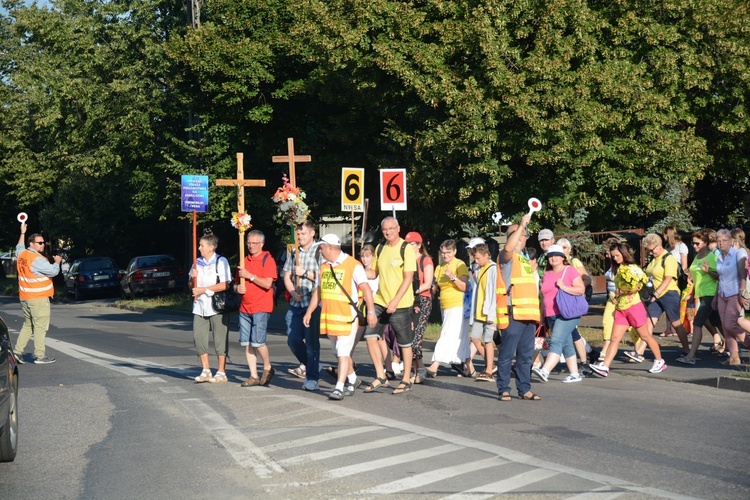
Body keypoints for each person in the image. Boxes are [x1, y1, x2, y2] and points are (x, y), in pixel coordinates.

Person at [303, 234, 377, 400]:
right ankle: (353, 379)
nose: (320, 252)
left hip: (347, 317)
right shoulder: (324, 266)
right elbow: (319, 292)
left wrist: (371, 312)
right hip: (330, 319)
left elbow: (366, 289)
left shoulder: (353, 265)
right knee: (337, 352)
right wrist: (309, 311)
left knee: (343, 353)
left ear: (329, 247)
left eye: (321, 248)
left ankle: (339, 387)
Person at [590, 243, 666, 377]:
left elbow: (638, 286)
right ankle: (605, 367)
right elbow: (615, 288)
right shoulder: (618, 269)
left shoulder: (633, 268)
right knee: (614, 338)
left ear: (624, 254)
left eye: (617, 256)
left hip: (634, 307)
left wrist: (622, 291)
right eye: (613, 257)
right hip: (621, 308)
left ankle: (659, 361)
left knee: (645, 336)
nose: (615, 259)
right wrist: (615, 296)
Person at [362, 217, 416, 395]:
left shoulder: (405, 248)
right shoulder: (380, 247)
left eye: (391, 229)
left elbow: (408, 278)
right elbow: (374, 272)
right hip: (380, 300)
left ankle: (406, 379)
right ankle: (381, 375)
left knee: (404, 343)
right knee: (370, 335)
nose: (388, 232)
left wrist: (396, 301)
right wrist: (356, 270)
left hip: (400, 303)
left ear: (398, 229)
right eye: (385, 229)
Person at [495, 214, 542, 401]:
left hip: (529, 315)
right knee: (507, 355)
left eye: (523, 233)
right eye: (517, 233)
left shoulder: (525, 259)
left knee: (525, 356)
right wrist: (522, 224)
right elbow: (508, 247)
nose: (522, 236)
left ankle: (524, 388)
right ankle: (504, 388)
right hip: (513, 313)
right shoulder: (507, 255)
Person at [532, 244, 586, 383]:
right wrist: (542, 316)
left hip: (567, 313)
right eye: (550, 256)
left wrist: (564, 287)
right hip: (550, 314)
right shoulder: (547, 274)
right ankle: (575, 374)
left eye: (557, 255)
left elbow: (580, 289)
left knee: (555, 340)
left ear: (563, 257)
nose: (553, 258)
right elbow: (544, 297)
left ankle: (545, 371)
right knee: (566, 344)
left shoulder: (570, 270)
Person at [13, 223, 61, 364]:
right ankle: (40, 356)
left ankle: (17, 352)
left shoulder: (22, 254)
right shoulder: (37, 259)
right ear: (32, 244)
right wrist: (57, 262)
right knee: (40, 327)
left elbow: (19, 246)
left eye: (43, 243)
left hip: (25, 297)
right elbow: (53, 271)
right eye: (39, 243)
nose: (42, 245)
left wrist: (22, 232)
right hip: (38, 298)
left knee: (28, 325)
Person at [284, 221, 323, 391]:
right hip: (296, 302)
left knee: (311, 342)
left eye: (303, 234)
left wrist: (305, 273)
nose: (300, 237)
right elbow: (286, 275)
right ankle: (312, 364)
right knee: (293, 339)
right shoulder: (294, 253)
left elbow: (324, 277)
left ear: (312, 233)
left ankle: (312, 377)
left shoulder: (320, 252)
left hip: (312, 303)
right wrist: (292, 292)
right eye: (298, 234)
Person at [236, 230, 278, 387]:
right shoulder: (243, 259)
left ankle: (267, 366)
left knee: (258, 342)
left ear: (261, 244)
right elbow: (236, 282)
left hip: (261, 305)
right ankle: (253, 375)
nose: (251, 246)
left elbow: (268, 283)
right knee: (247, 342)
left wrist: (250, 276)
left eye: (254, 243)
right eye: (249, 243)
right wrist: (237, 288)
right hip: (245, 306)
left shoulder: (267, 259)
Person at [189, 234, 231, 383]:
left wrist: (204, 289)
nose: (199, 248)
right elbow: (191, 286)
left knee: (219, 338)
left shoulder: (221, 261)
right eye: (199, 245)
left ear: (211, 247)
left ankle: (221, 371)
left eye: (202, 245)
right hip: (200, 306)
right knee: (199, 337)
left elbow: (225, 284)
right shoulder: (197, 262)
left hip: (216, 305)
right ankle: (205, 370)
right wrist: (192, 278)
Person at [640, 233, 691, 356]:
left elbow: (668, 278)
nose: (650, 253)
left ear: (659, 246)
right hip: (655, 296)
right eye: (648, 251)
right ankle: (639, 352)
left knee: (676, 323)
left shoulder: (669, 258)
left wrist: (657, 293)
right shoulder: (654, 260)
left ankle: (687, 350)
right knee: (649, 322)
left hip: (669, 294)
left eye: (651, 250)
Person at [426, 239, 471, 378]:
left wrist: (453, 277)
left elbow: (464, 287)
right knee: (460, 336)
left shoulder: (460, 264)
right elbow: (435, 286)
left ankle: (435, 364)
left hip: (457, 305)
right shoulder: (440, 267)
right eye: (443, 253)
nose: (445, 256)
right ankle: (469, 367)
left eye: (448, 253)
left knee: (447, 334)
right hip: (445, 305)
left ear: (455, 252)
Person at [678, 229, 722, 364]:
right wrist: (691, 293)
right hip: (701, 294)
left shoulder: (712, 257)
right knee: (720, 324)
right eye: (693, 243)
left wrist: (708, 271)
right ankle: (735, 350)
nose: (694, 246)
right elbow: (695, 276)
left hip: (711, 294)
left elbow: (720, 277)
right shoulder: (697, 257)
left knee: (697, 323)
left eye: (697, 243)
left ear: (705, 243)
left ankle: (691, 356)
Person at [713, 229, 749, 366]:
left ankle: (748, 343)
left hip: (734, 293)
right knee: (725, 326)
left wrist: (742, 293)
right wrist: (716, 297)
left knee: (730, 324)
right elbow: (720, 278)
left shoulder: (738, 253)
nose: (721, 243)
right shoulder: (719, 256)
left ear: (731, 241)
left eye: (724, 240)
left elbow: (743, 275)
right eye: (718, 241)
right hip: (722, 294)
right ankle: (734, 357)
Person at [405, 232, 434, 384]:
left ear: (418, 245)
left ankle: (420, 368)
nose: (409, 247)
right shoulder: (406, 260)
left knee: (416, 338)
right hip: (408, 301)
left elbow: (427, 283)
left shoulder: (425, 260)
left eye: (411, 244)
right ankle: (415, 370)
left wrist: (411, 291)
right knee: (408, 337)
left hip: (423, 300)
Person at [469, 244, 497, 381]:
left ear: (487, 255)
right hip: (479, 312)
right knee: (474, 337)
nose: (476, 261)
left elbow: (493, 293)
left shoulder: (493, 269)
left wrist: (492, 314)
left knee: (488, 340)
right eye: (475, 259)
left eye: (478, 258)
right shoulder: (480, 269)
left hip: (489, 311)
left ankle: (489, 370)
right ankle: (490, 365)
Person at [661, 226, 689, 336]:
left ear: (668, 234)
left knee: (675, 303)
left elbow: (684, 265)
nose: (663, 236)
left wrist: (687, 279)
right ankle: (668, 328)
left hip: (679, 278)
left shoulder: (682, 246)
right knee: (668, 301)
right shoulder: (668, 246)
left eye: (664, 234)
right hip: (668, 276)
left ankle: (680, 327)